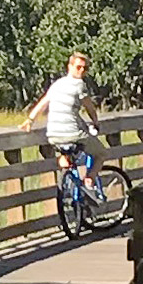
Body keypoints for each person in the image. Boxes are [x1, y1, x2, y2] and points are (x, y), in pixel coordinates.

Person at [25, 51, 108, 230]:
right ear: (69, 67)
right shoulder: (79, 85)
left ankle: (67, 178)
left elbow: (43, 102)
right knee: (101, 153)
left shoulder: (57, 84)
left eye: (84, 69)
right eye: (78, 67)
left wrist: (30, 119)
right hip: (73, 134)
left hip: (53, 134)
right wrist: (95, 122)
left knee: (66, 156)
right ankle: (88, 180)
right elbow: (90, 108)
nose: (81, 71)